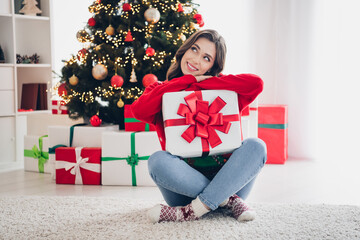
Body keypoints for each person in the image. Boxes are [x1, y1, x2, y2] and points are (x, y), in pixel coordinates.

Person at [131, 29, 267, 223]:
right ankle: (227, 200)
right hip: (183, 190)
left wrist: (209, 81)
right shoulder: (161, 90)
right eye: (194, 49)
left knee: (257, 146)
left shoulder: (222, 90)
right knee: (157, 160)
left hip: (230, 178)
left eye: (206, 58)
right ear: (184, 50)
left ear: (213, 66)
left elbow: (256, 84)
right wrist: (189, 80)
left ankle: (190, 212)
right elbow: (139, 111)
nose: (196, 60)